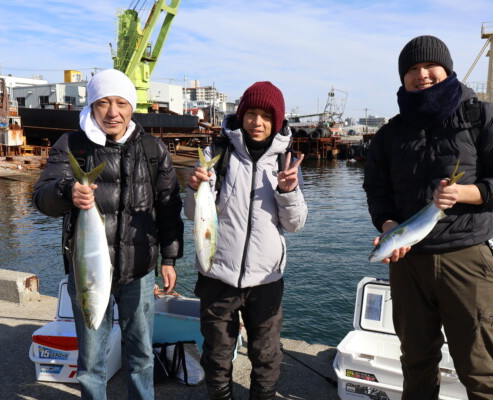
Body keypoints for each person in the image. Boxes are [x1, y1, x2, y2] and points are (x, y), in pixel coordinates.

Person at [363, 36, 493, 399]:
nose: (421, 75)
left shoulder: (481, 116)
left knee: (481, 365)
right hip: (407, 261)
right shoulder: (390, 134)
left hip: (467, 256)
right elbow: (377, 190)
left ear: (446, 70)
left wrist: (465, 193)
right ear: (402, 78)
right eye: (412, 70)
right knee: (415, 360)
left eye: (429, 67)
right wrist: (389, 225)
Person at [32, 68, 184, 400]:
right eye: (103, 103)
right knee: (90, 360)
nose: (112, 112)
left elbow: (169, 207)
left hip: (139, 269)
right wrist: (66, 191)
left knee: (141, 355)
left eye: (120, 103)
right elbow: (41, 197)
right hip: (87, 272)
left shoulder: (152, 148)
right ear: (91, 106)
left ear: (131, 107)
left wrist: (170, 259)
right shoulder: (71, 145)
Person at [184, 81, 308, 400]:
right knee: (217, 353)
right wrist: (194, 188)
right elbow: (192, 215)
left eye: (266, 116)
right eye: (251, 113)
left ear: (277, 121)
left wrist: (288, 191)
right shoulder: (216, 154)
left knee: (266, 355)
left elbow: (294, 225)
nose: (257, 122)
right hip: (217, 274)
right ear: (241, 115)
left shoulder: (286, 163)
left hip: (266, 278)